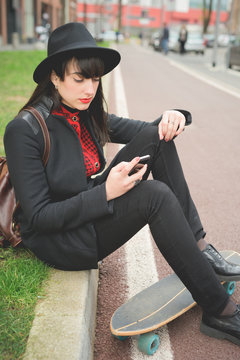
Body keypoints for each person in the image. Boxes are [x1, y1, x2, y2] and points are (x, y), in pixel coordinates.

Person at [4, 22, 240, 346]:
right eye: (79, 78)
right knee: (155, 195)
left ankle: (200, 249)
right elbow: (40, 218)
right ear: (55, 77)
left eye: (95, 78)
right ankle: (220, 311)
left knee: (159, 136)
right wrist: (106, 192)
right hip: (63, 239)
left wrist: (176, 115)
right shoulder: (24, 130)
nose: (89, 87)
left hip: (91, 204)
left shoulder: (84, 110)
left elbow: (148, 131)